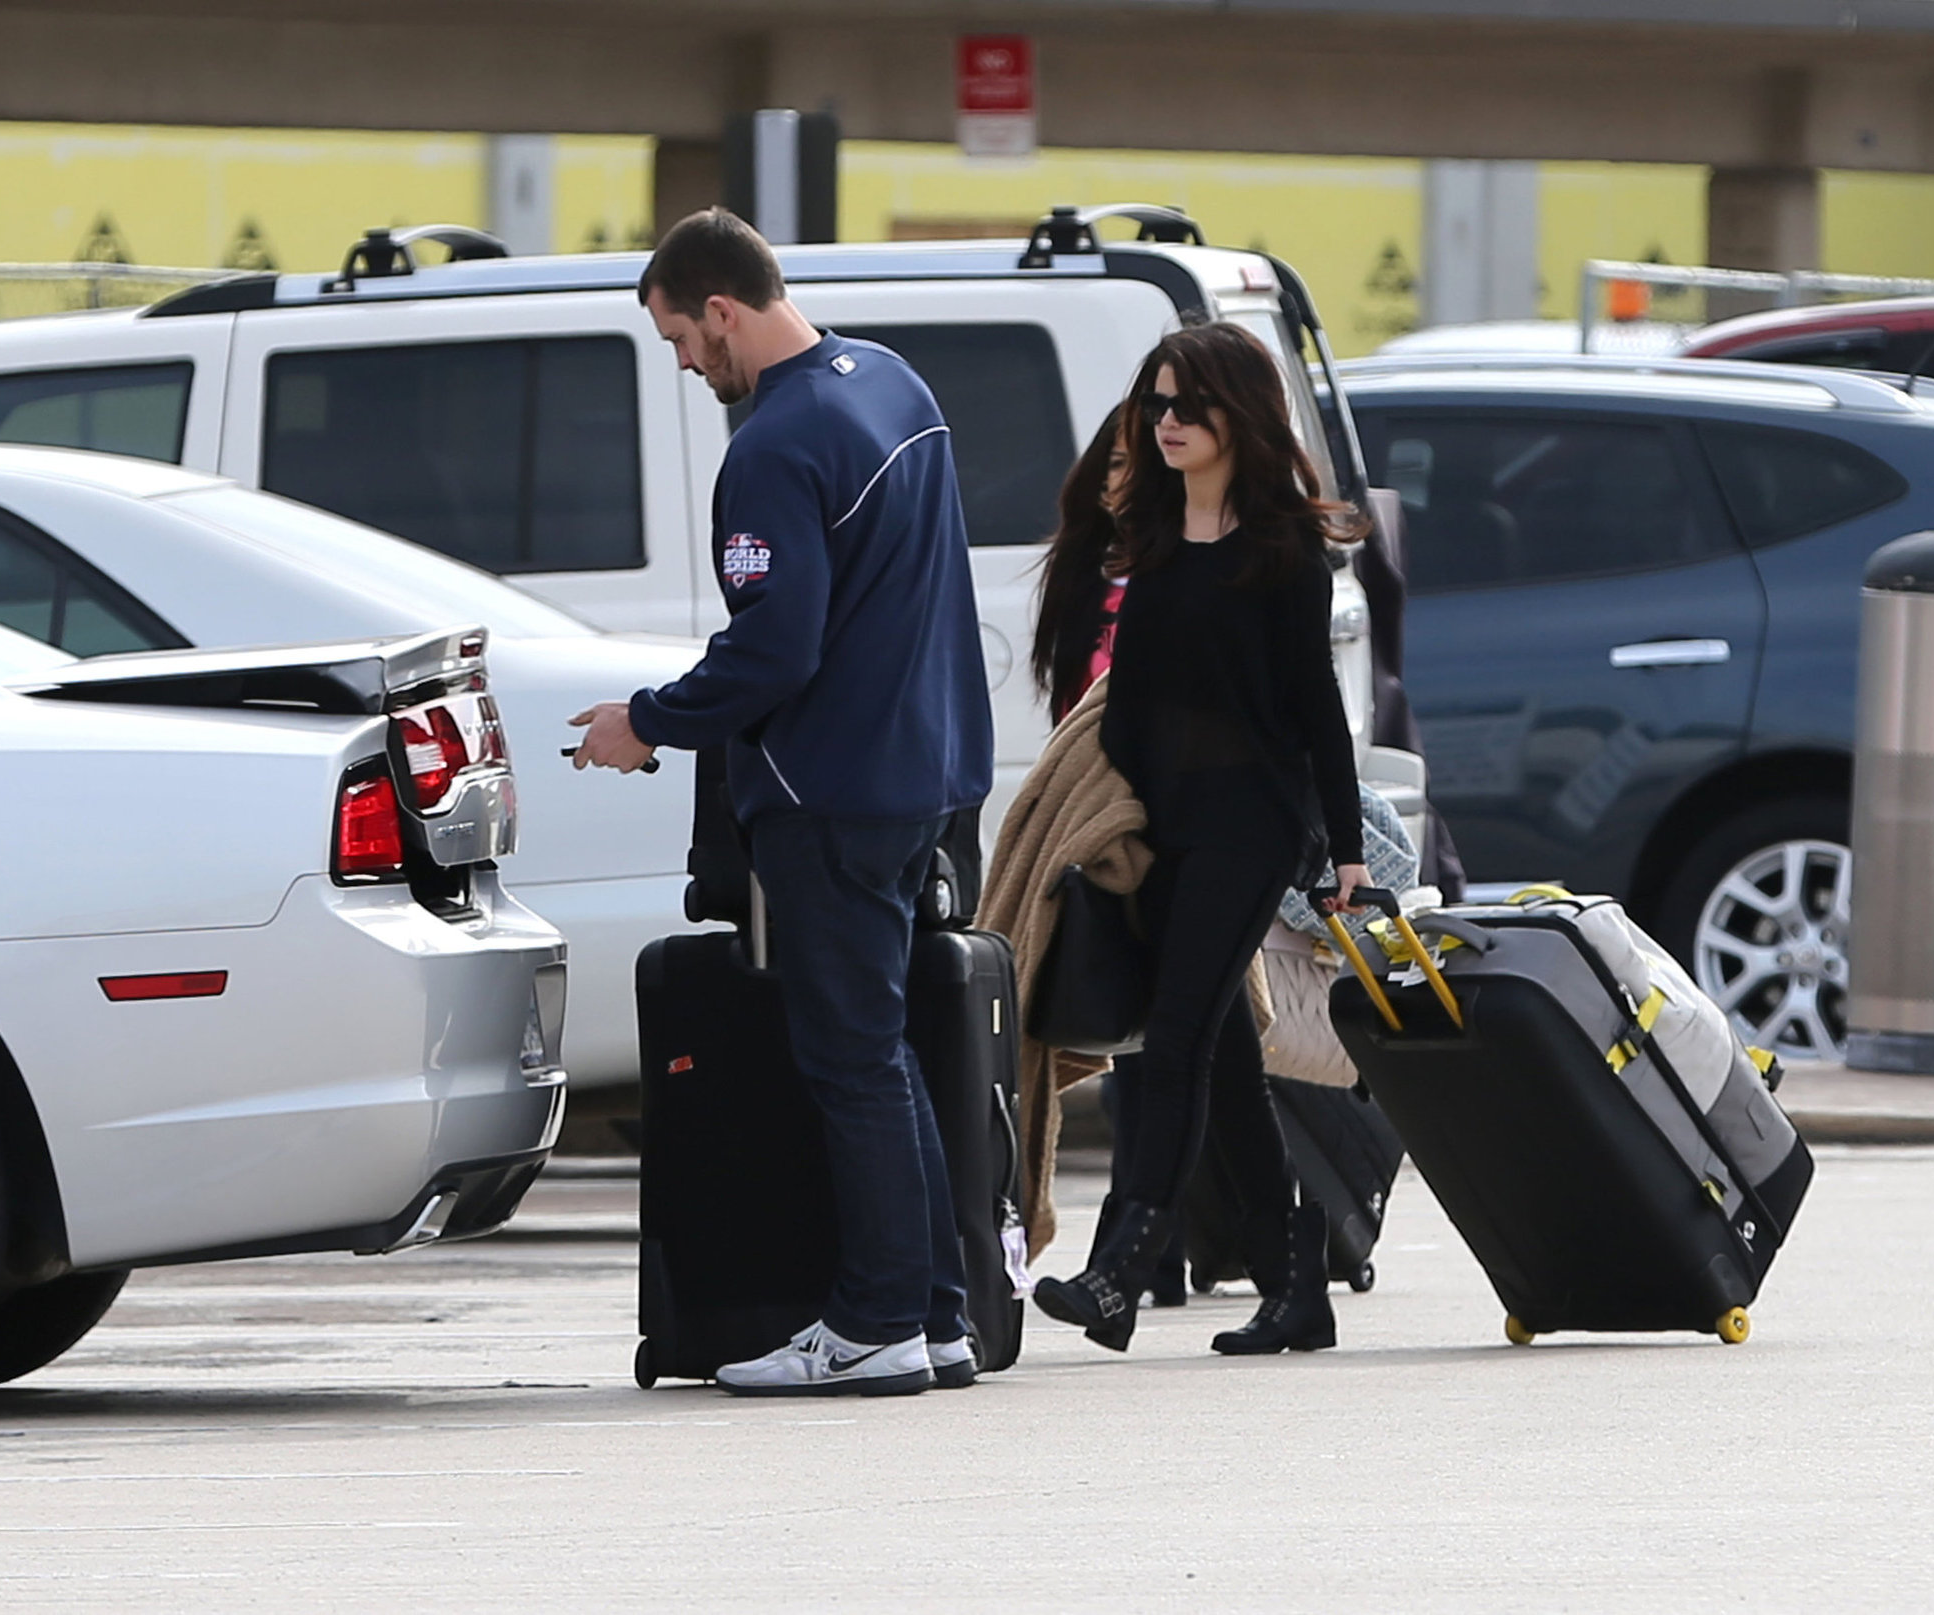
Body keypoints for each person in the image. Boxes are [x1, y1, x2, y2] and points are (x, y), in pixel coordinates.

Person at [568, 208, 993, 1397]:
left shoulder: (771, 446)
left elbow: (774, 652)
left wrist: (640, 724)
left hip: (830, 794)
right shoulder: (892, 385)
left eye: (679, 338)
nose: (684, 363)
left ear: (721, 308)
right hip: (921, 779)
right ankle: (936, 1313)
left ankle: (871, 1326)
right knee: (891, 1050)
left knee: (851, 1061)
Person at [1031, 321, 1372, 1357]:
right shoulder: (1151, 541)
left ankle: (1121, 1268)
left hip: (1250, 827)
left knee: (1173, 1038)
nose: (1166, 423)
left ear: (1237, 418)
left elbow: (1316, 709)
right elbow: (1123, 696)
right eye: (1156, 404)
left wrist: (1345, 851)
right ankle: (1291, 1284)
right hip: (1160, 830)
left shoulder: (1281, 553)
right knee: (1216, 1060)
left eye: (1188, 406)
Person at [1032, 401, 1190, 1311]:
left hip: (1174, 833)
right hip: (1108, 831)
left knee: (1175, 1043)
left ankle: (1135, 1253)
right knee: (1171, 1046)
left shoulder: (1181, 571)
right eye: (1111, 463)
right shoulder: (1090, 577)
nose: (1119, 479)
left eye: (1135, 464)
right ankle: (1276, 1254)